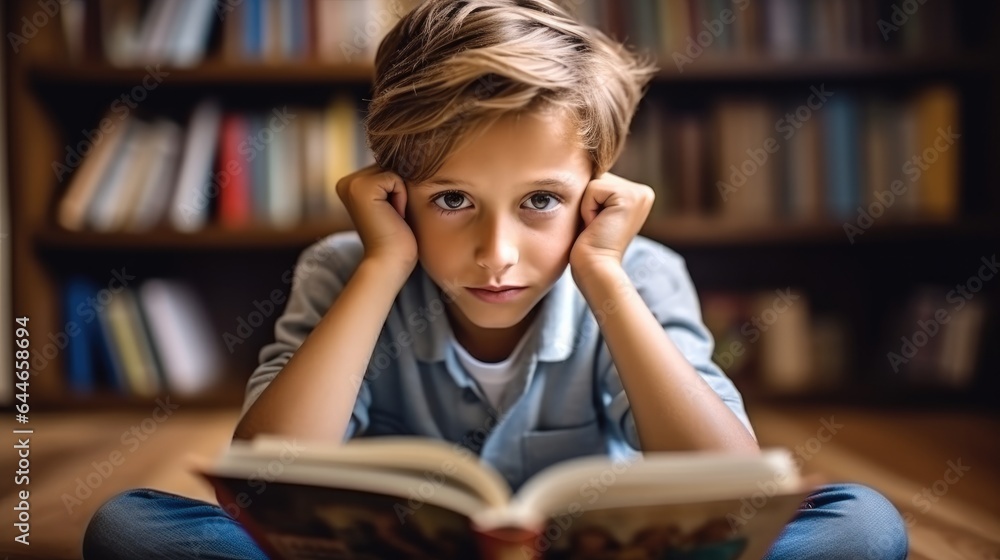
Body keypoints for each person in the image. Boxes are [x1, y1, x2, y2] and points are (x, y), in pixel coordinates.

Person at [82, 1, 909, 558]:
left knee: (862, 525)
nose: (498, 253)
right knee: (130, 527)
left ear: (598, 192)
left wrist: (606, 281)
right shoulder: (345, 269)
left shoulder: (642, 275)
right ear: (395, 191)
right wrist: (381, 266)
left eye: (542, 200)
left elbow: (729, 485)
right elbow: (262, 480)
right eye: (452, 199)